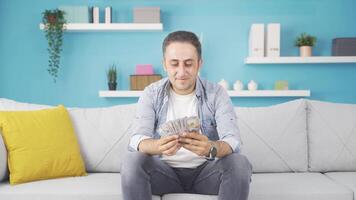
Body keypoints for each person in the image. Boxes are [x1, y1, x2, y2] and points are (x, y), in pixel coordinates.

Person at [121, 30, 252, 200]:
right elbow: (136, 140)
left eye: (188, 64)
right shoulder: (151, 93)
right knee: (132, 161)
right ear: (165, 64)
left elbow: (233, 141)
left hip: (207, 174)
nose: (181, 72)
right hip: (163, 174)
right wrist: (158, 146)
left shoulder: (217, 93)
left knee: (240, 163)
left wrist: (211, 148)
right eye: (174, 64)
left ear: (199, 64)